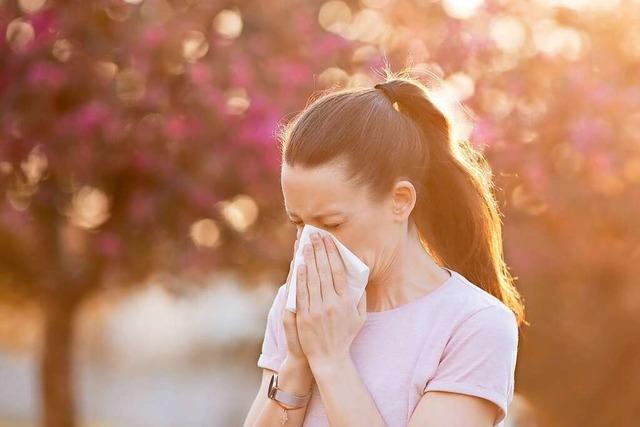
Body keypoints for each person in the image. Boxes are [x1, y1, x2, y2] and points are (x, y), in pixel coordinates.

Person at [243, 73, 527, 427]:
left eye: (332, 223)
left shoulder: (474, 324)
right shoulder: (301, 306)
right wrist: (297, 364)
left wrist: (330, 359)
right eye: (298, 223)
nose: (310, 245)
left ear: (400, 201)